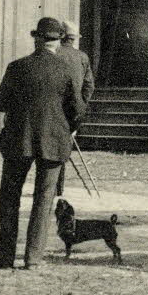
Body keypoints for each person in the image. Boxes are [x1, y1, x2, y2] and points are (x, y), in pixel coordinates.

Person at [0, 16, 85, 269]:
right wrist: (68, 129)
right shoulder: (66, 71)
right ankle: (33, 259)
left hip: (17, 141)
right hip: (54, 143)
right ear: (57, 42)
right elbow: (77, 109)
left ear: (37, 39)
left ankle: (5, 257)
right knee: (43, 201)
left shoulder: (17, 67)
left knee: (10, 198)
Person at [55, 19, 95, 196]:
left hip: (53, 108)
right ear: (73, 39)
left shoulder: (54, 53)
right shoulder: (82, 57)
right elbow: (89, 86)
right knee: (64, 146)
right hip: (73, 111)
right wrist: (80, 104)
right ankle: (58, 188)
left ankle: (52, 187)